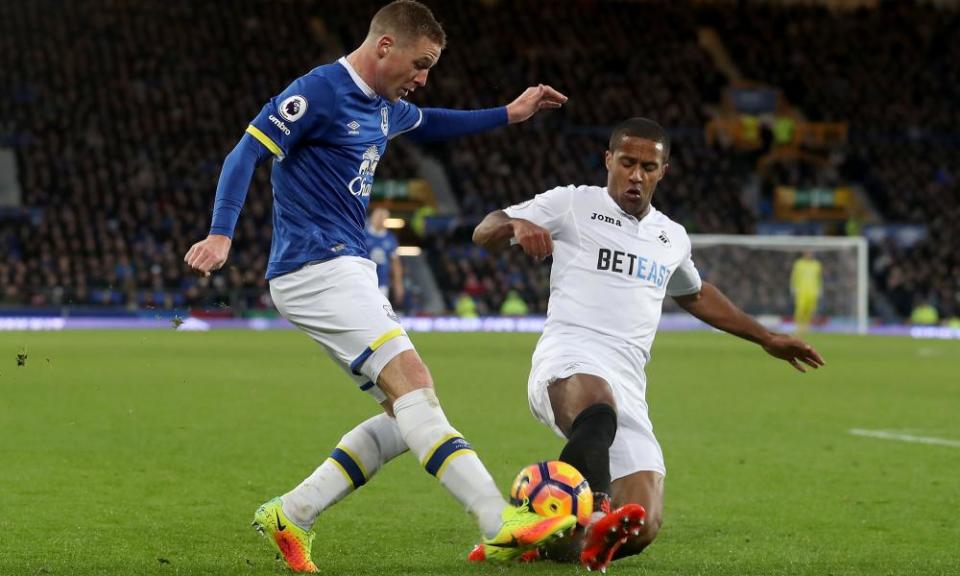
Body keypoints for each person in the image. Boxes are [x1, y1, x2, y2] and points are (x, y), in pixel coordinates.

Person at [183, 1, 575, 571]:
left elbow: (439, 120)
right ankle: (498, 520)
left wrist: (508, 114)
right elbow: (245, 151)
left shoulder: (387, 108)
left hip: (345, 269)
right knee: (415, 383)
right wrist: (221, 234)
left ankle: (292, 512)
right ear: (384, 46)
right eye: (421, 64)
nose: (423, 79)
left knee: (404, 416)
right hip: (317, 267)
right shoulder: (318, 92)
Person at [471, 118, 825, 571]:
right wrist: (516, 224)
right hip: (569, 355)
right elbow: (485, 229)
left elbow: (695, 293)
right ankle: (592, 509)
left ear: (663, 171)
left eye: (648, 166)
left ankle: (538, 532)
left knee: (639, 527)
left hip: (628, 383)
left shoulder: (671, 237)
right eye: (627, 163)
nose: (636, 175)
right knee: (597, 409)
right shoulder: (572, 203)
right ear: (609, 161)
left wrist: (767, 338)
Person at [365, 206, 404, 306]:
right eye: (378, 216)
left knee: (380, 310)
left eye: (383, 217)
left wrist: (398, 283)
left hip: (382, 282)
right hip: (364, 279)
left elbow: (395, 262)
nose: (379, 219)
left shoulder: (390, 238)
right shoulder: (363, 234)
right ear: (372, 217)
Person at [791, 250, 822, 332]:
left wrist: (819, 289)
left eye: (810, 253)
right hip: (801, 290)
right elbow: (794, 276)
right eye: (807, 253)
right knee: (800, 309)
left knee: (810, 310)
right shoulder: (799, 264)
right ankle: (798, 326)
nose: (809, 255)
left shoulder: (816, 265)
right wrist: (793, 287)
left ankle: (806, 327)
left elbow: (819, 278)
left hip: (812, 291)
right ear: (804, 254)